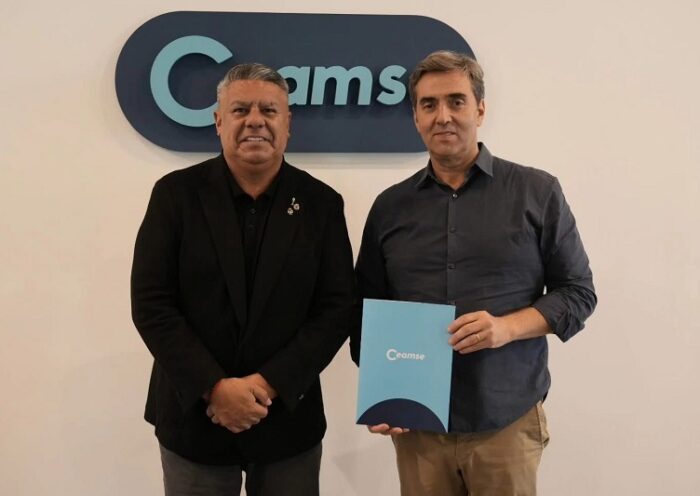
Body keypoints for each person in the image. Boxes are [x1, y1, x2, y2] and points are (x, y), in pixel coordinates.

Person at [351, 50, 597, 495]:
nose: (443, 116)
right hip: (418, 427)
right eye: (429, 104)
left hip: (506, 420)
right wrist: (380, 393)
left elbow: (577, 292)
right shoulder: (390, 208)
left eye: (456, 101)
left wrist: (506, 328)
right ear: (416, 117)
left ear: (480, 109)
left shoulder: (536, 191)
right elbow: (366, 311)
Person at [131, 63, 355, 496]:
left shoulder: (321, 204)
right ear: (219, 121)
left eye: (269, 110)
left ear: (288, 123)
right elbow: (152, 304)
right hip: (195, 419)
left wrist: (267, 385)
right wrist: (214, 389)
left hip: (287, 419)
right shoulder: (174, 196)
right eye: (241, 110)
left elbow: (336, 309)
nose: (255, 121)